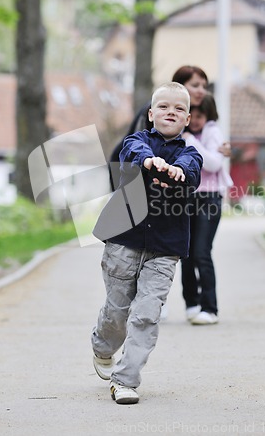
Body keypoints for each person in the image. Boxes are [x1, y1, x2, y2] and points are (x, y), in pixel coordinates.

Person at [91, 82, 203, 404]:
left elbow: (192, 170)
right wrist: (149, 162)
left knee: (146, 314)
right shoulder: (136, 142)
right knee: (118, 312)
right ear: (151, 114)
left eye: (179, 109)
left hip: (165, 248)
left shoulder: (190, 153)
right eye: (164, 107)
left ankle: (125, 380)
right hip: (123, 241)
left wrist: (178, 171)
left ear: (188, 118)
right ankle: (102, 346)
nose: (171, 112)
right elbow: (131, 153)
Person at [181, 93, 233, 325]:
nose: (194, 121)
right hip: (186, 197)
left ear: (208, 115)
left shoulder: (212, 132)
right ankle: (192, 303)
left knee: (202, 251)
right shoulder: (181, 132)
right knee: (186, 253)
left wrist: (190, 140)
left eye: (200, 116)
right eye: (192, 115)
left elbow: (213, 163)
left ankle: (210, 308)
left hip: (209, 198)